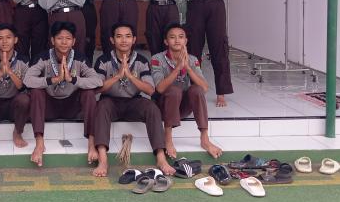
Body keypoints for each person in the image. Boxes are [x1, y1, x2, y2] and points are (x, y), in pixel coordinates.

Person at [92, 23, 174, 177]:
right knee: (101, 107)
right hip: (110, 101)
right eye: (119, 36)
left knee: (152, 108)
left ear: (134, 39)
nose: (124, 40)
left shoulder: (141, 60)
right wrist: (117, 76)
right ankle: (103, 160)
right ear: (112, 40)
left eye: (128, 36)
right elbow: (97, 88)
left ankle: (161, 157)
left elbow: (150, 90)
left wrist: (130, 76)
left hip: (133, 101)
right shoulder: (103, 60)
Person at [24, 21, 102, 167]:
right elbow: (27, 80)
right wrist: (53, 80)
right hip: (49, 106)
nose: (64, 42)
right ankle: (39, 143)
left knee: (89, 93)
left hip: (72, 106)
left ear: (74, 41)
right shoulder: (43, 57)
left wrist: (72, 79)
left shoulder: (80, 58)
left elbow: (97, 81)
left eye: (68, 38)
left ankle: (92, 143)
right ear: (52, 40)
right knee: (36, 92)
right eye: (60, 38)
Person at [150, 23, 222, 159]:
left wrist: (187, 67)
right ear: (166, 41)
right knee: (174, 91)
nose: (177, 40)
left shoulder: (192, 59)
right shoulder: (157, 59)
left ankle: (204, 138)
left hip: (182, 108)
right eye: (172, 37)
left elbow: (205, 88)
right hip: (163, 107)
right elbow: (160, 88)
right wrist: (178, 68)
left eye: (181, 37)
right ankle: (168, 138)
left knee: (197, 90)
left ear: (186, 41)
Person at [184, 0, 233, 107]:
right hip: (195, 7)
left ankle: (221, 92)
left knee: (219, 47)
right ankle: (194, 89)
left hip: (215, 6)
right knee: (193, 48)